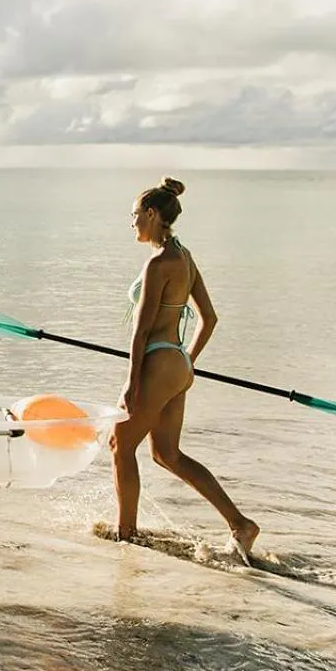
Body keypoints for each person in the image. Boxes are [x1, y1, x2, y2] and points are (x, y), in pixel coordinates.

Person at [110, 176, 258, 559]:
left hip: (160, 363)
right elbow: (210, 318)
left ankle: (126, 537)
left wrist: (131, 383)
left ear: (152, 214)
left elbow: (142, 331)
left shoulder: (159, 263)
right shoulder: (184, 257)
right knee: (167, 454)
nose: (131, 222)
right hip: (176, 363)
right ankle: (240, 524)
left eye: (134, 214)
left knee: (120, 445)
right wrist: (185, 362)